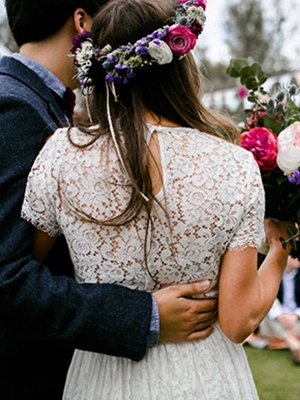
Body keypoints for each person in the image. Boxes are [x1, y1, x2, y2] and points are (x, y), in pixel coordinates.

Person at [21, 0, 293, 398]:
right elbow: (238, 323)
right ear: (181, 64)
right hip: (205, 375)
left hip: (103, 369)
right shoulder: (235, 164)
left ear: (99, 69)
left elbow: (26, 273)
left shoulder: (61, 154)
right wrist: (279, 250)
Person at [0, 1, 219, 399]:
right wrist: (144, 315)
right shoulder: (14, 107)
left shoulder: (38, 102)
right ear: (83, 22)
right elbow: (6, 276)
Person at [260, 255, 300, 364]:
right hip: (275, 321)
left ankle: (292, 342)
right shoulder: (273, 275)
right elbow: (266, 299)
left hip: (295, 322)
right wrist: (280, 316)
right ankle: (291, 341)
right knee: (267, 305)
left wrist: (295, 316)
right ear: (287, 256)